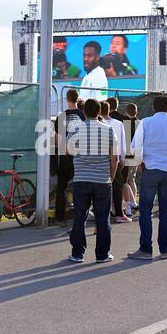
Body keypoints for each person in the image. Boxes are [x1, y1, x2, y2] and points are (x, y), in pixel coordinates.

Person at [128, 95, 167, 260]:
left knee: (145, 211)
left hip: (150, 169)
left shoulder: (146, 123)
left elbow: (135, 147)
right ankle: (165, 249)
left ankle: (145, 249)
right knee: (165, 211)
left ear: (153, 108)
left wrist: (142, 161)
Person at [67, 99, 118, 263]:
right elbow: (114, 158)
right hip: (102, 180)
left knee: (79, 217)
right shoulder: (109, 130)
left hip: (81, 178)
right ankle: (102, 255)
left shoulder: (75, 129)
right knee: (103, 218)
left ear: (84, 112)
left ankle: (77, 253)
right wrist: (111, 176)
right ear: (99, 111)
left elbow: (69, 151)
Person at [54, 90, 85, 225]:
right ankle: (80, 216)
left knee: (61, 187)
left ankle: (60, 217)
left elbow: (57, 140)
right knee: (81, 186)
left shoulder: (61, 116)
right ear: (78, 99)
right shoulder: (83, 115)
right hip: (80, 156)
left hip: (66, 156)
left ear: (67, 99)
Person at [100, 101, 131, 223]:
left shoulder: (98, 124)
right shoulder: (118, 124)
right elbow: (122, 142)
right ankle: (118, 212)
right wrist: (122, 158)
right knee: (117, 185)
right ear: (109, 110)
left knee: (101, 185)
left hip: (101, 159)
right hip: (115, 158)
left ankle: (102, 212)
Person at [122, 103, 140, 217]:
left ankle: (129, 205)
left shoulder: (125, 124)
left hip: (128, 155)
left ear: (126, 112)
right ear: (136, 112)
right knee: (132, 180)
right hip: (137, 155)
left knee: (125, 181)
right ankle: (134, 202)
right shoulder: (140, 123)